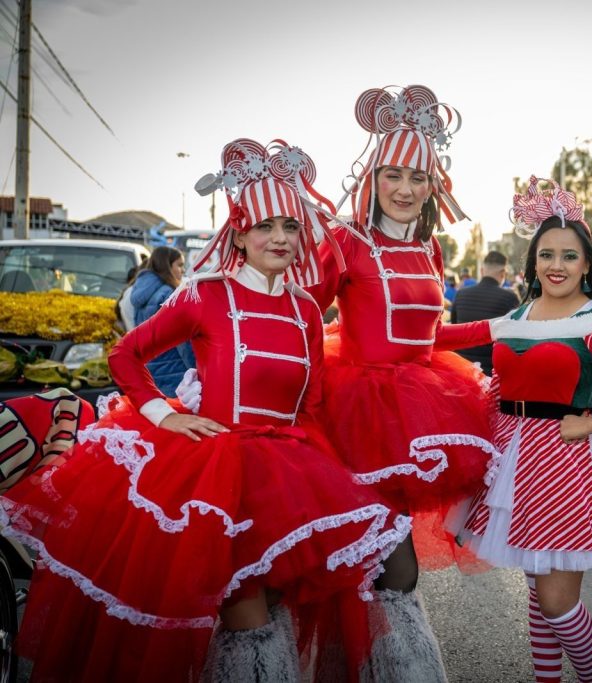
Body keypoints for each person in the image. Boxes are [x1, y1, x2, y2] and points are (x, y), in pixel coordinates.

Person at [0, 139, 411, 682]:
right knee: (246, 618)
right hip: (212, 479)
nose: (280, 239)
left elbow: (311, 404)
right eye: (265, 227)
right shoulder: (206, 295)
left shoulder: (307, 309)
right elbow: (126, 354)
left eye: (290, 227)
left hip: (286, 477)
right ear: (238, 234)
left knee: (283, 605)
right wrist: (163, 415)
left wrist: (330, 479)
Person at [306, 85, 500, 680]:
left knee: (383, 566)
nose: (405, 188)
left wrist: (507, 327)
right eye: (393, 174)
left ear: (433, 185)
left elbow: (430, 336)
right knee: (383, 563)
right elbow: (303, 319)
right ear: (373, 178)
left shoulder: (429, 247)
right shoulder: (345, 240)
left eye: (418, 177)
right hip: (353, 418)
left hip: (416, 413)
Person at [456, 177, 592, 683]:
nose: (557, 265)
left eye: (570, 256)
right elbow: (496, 379)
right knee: (537, 592)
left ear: (587, 264)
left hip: (566, 465)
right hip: (514, 459)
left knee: (557, 601)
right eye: (547, 254)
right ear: (532, 262)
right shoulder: (519, 314)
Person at [130, 246, 196, 396]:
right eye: (179, 265)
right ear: (167, 266)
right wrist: (196, 368)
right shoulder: (169, 293)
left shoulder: (140, 291)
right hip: (175, 370)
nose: (183, 270)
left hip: (149, 368)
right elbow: (181, 341)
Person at [450, 249, 520, 375]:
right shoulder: (509, 298)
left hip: (461, 371)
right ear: (503, 273)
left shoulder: (461, 294)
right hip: (491, 374)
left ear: (482, 271)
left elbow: (454, 330)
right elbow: (516, 340)